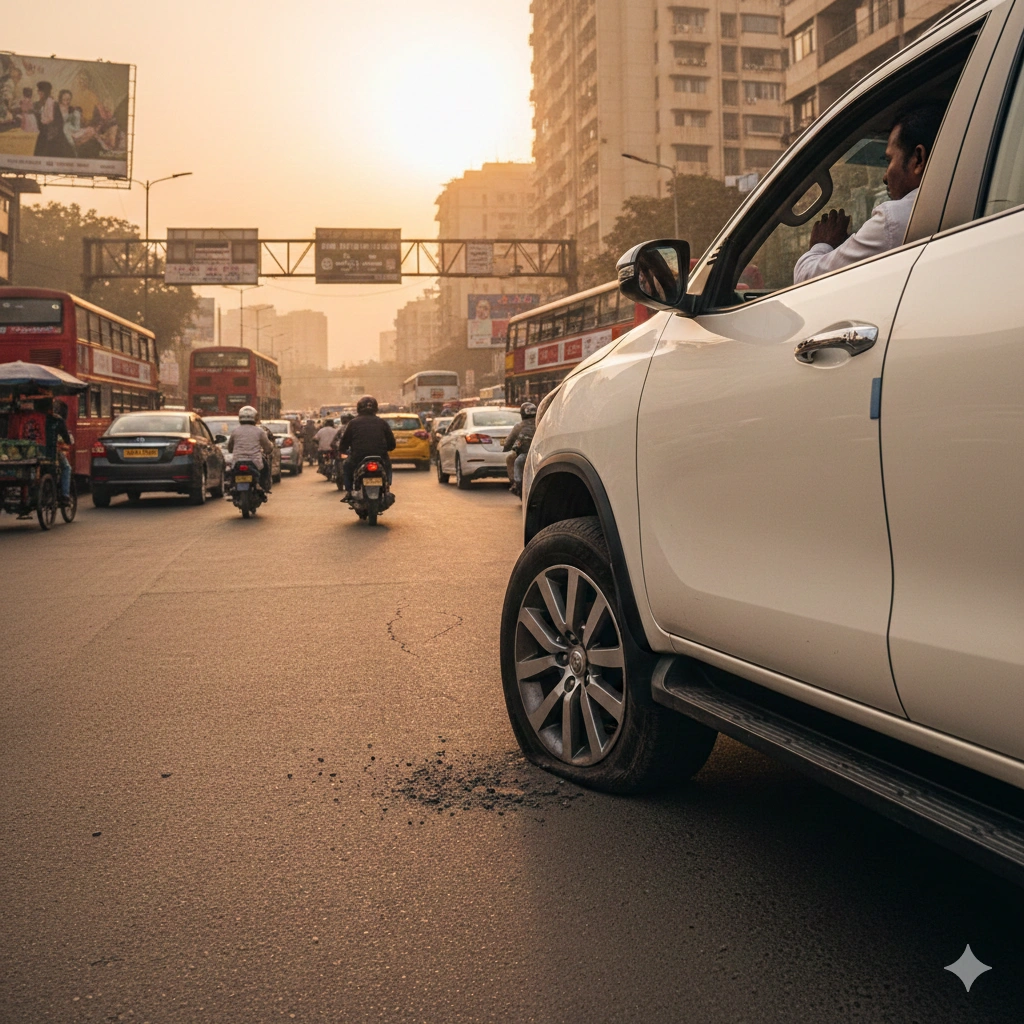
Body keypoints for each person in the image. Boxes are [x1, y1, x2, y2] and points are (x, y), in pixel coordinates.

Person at [794, 105, 944, 285]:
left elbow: (808, 278)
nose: (885, 177)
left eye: (889, 160)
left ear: (918, 159)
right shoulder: (961, 203)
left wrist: (822, 245)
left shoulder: (897, 219)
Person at [337, 395, 396, 500]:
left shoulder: (353, 423)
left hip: (358, 456)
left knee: (347, 466)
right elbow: (392, 443)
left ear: (359, 408)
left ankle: (349, 491)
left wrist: (342, 450)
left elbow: (344, 442)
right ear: (375, 408)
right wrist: (387, 449)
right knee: (387, 465)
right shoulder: (382, 422)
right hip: (380, 455)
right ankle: (387, 487)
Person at [34, 397, 74, 505]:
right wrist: (68, 441)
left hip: (33, 453)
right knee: (66, 468)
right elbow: (66, 438)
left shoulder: (32, 418)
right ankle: (65, 495)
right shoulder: (57, 420)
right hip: (51, 454)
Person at [227, 405, 274, 494]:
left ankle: (232, 488)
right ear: (255, 418)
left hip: (237, 461)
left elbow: (230, 447)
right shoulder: (260, 431)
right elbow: (267, 447)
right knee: (266, 468)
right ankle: (264, 487)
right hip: (255, 462)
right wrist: (269, 448)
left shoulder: (235, 431)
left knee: (231, 473)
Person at [502, 402, 537, 495]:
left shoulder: (519, 426)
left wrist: (506, 447)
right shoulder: (541, 424)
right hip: (540, 454)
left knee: (512, 460)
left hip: (525, 454)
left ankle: (516, 484)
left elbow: (509, 441)